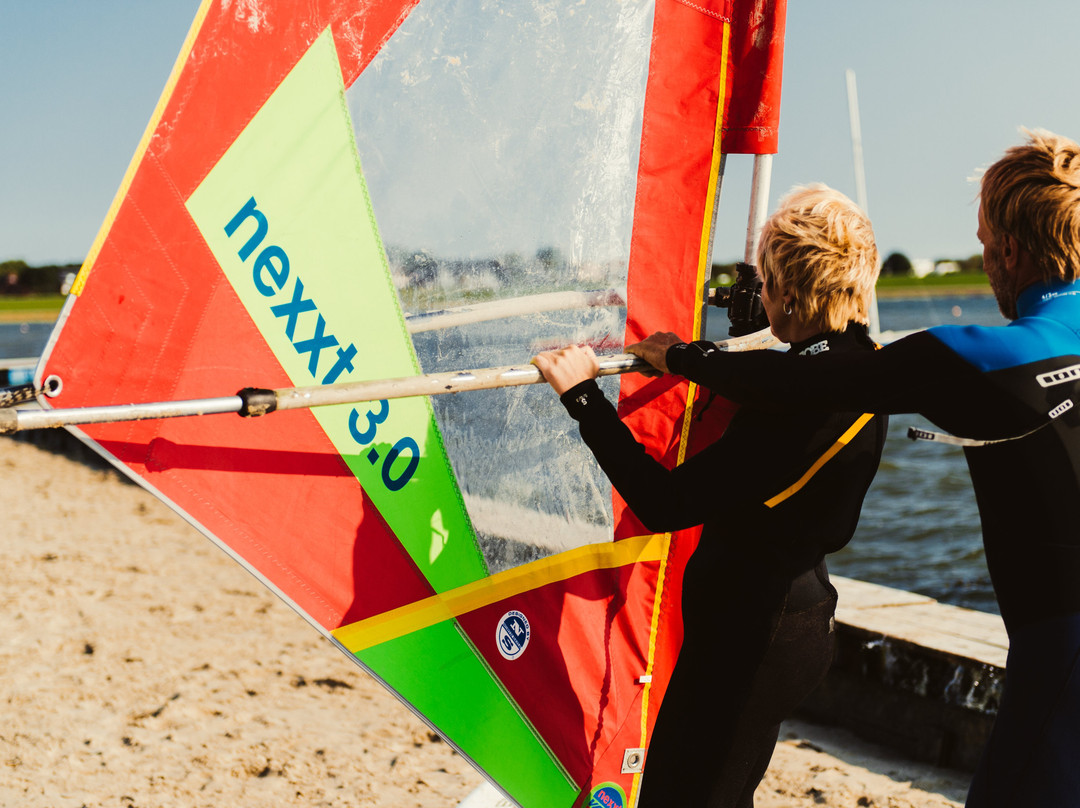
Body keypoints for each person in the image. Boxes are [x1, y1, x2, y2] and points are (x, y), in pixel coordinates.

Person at [626, 129, 1080, 808]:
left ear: (1011, 248)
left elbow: (816, 383)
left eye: (985, 242)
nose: (985, 261)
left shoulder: (987, 357)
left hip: (1063, 658)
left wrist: (686, 359)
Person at [533, 184, 887, 807]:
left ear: (784, 287)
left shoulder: (796, 398)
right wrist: (689, 356)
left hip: (754, 637)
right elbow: (770, 375)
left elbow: (666, 503)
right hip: (787, 619)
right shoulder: (860, 360)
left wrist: (583, 399)